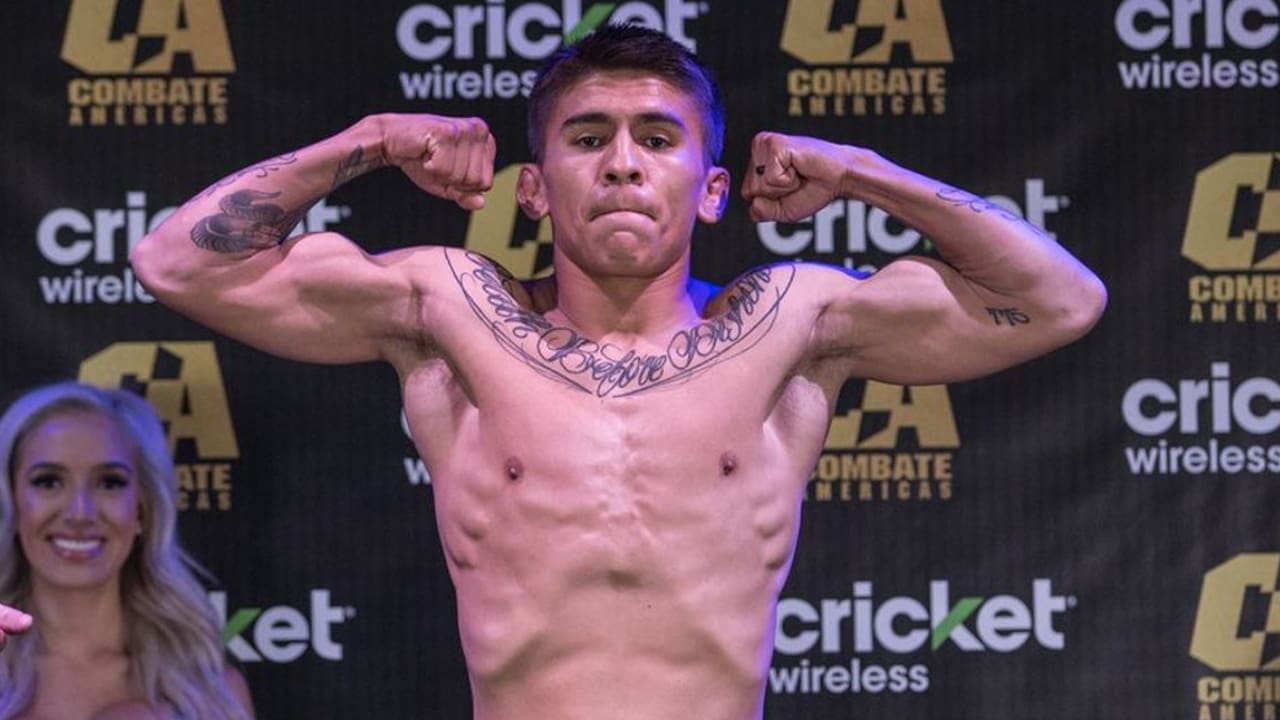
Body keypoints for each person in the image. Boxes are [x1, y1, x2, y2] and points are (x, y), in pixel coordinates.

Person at [128, 23, 1105, 720]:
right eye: (589, 139)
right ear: (533, 189)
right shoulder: (449, 314)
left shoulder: (793, 325)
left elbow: (1063, 301)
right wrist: (368, 141)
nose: (624, 164)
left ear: (711, 189)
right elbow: (177, 263)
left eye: (658, 139)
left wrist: (859, 170)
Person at [0, 382, 254, 719]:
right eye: (48, 482)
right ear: (11, 502)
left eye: (110, 483)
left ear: (143, 509)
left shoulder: (211, 694)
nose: (80, 513)